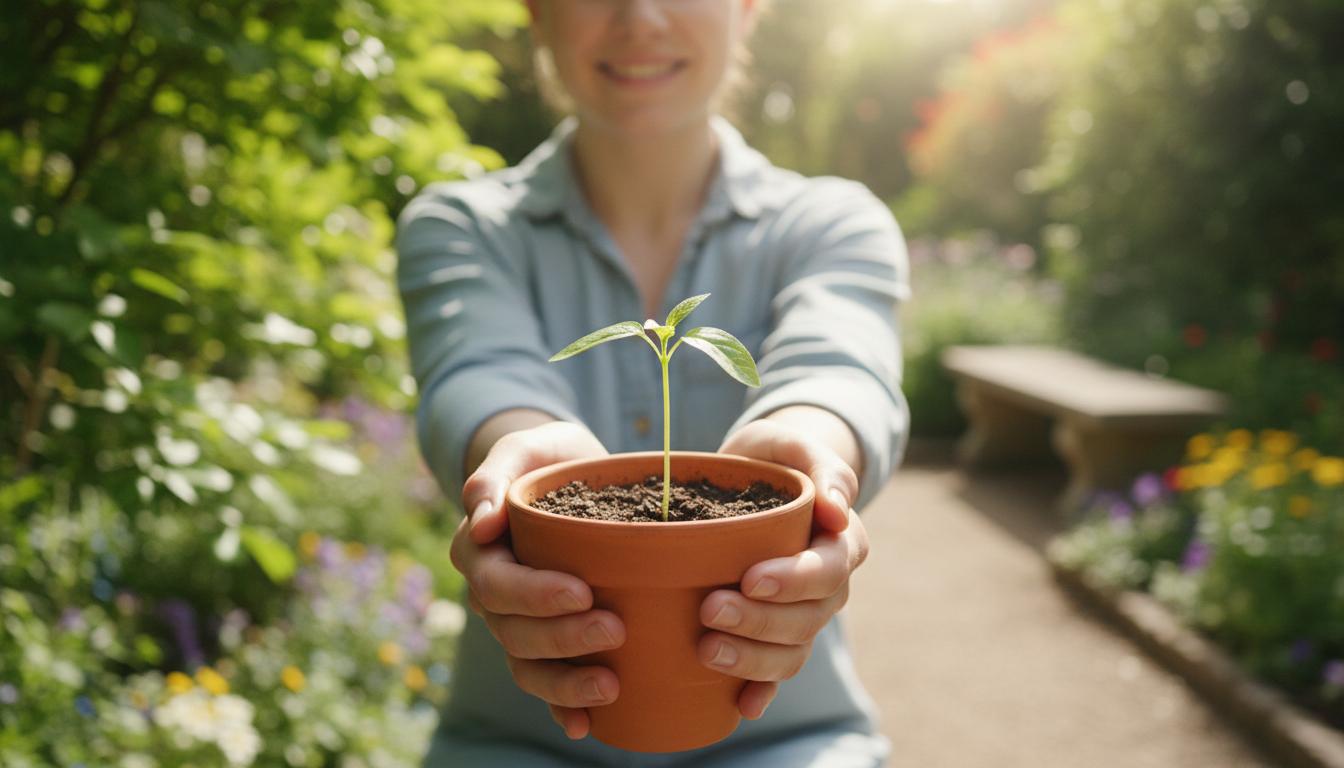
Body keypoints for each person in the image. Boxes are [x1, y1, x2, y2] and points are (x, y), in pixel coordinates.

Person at [396, 0, 910, 765]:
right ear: (537, 12)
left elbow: (839, 367)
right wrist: (524, 461)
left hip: (787, 739)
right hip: (520, 743)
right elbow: (477, 374)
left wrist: (808, 448)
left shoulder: (832, 222)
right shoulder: (461, 225)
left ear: (747, 8)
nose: (639, 17)